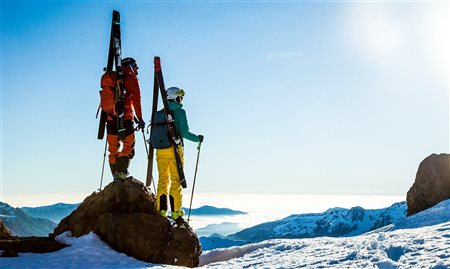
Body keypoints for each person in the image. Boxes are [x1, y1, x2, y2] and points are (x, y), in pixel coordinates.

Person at [156, 87, 204, 220]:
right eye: (180, 97)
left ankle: (161, 210)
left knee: (163, 180)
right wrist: (198, 139)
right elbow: (184, 133)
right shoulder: (180, 112)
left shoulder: (161, 113)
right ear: (176, 98)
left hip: (160, 150)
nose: (181, 100)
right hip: (174, 150)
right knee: (176, 180)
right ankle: (176, 211)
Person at [106, 57, 145, 181]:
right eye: (136, 66)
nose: (137, 68)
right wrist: (140, 118)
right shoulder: (131, 78)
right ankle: (121, 173)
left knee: (113, 148)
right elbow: (136, 99)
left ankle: (115, 175)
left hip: (110, 117)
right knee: (128, 145)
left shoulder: (113, 79)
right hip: (126, 117)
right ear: (131, 66)